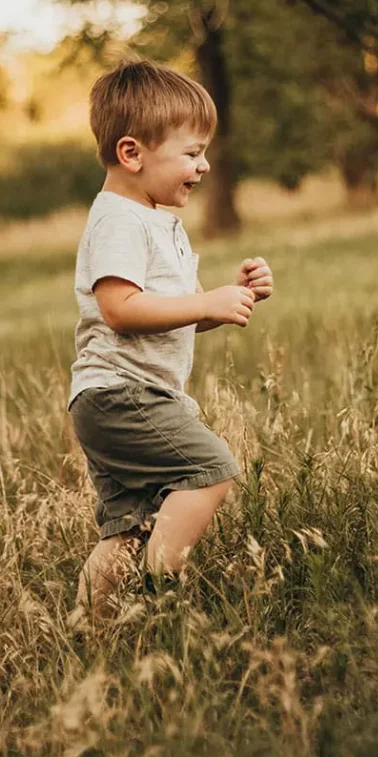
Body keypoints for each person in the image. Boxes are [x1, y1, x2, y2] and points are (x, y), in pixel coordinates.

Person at [67, 57, 273, 618]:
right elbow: (120, 309)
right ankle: (164, 597)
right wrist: (204, 302)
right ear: (132, 153)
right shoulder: (120, 221)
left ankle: (90, 632)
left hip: (117, 397)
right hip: (122, 394)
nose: (204, 166)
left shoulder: (156, 220)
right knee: (212, 470)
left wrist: (227, 298)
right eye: (191, 152)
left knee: (126, 530)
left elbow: (171, 312)